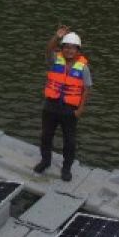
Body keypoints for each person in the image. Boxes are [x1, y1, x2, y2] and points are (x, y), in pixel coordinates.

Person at [34, 26, 92, 182]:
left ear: (78, 50)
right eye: (66, 47)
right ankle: (45, 161)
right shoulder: (55, 60)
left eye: (73, 48)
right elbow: (48, 50)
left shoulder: (83, 67)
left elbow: (87, 89)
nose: (69, 51)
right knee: (46, 136)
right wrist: (56, 37)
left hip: (69, 109)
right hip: (51, 106)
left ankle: (66, 168)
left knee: (70, 141)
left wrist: (80, 109)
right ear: (62, 48)